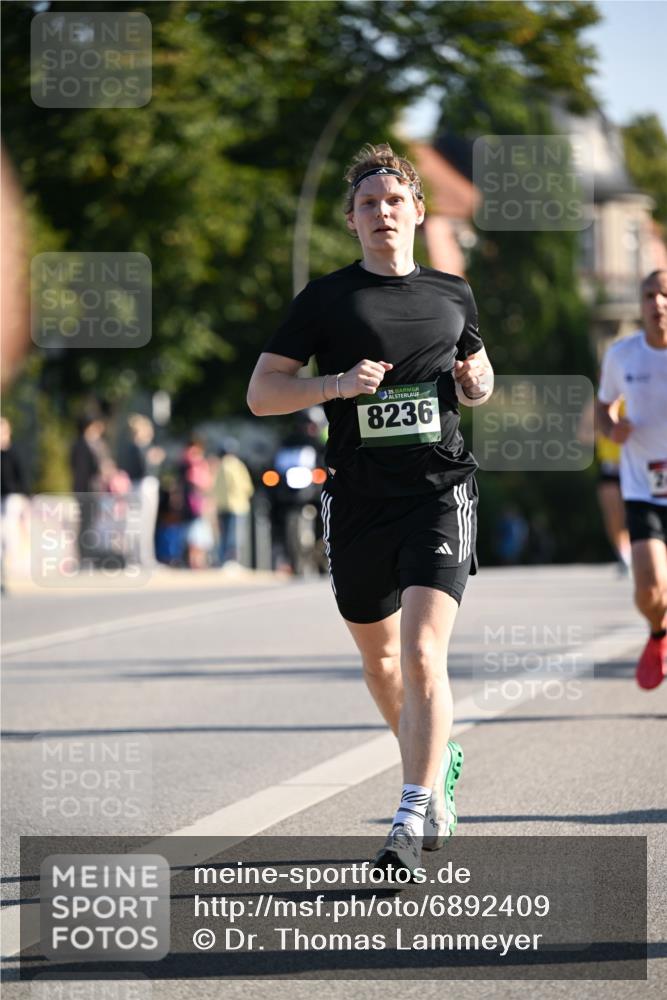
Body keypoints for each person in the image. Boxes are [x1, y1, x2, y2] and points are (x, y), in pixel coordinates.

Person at [247, 143, 494, 875]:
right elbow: (262, 394)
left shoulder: (454, 294)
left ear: (416, 210)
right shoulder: (326, 300)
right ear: (350, 221)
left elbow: (475, 383)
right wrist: (335, 386)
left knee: (422, 653)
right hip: (356, 498)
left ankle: (411, 814)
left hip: (438, 492)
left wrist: (477, 380)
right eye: (367, 204)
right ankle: (434, 759)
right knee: (381, 660)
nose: (382, 212)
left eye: (394, 200)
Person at [597, 269, 667, 689]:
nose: (657, 303)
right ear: (640, 304)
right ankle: (658, 634)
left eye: (664, 295)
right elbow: (604, 408)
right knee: (649, 590)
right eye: (649, 295)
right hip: (645, 489)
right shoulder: (622, 355)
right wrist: (611, 428)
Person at [213, 440, 255, 567]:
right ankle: (232, 561)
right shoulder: (236, 465)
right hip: (237, 505)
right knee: (235, 535)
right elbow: (246, 486)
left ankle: (223, 561)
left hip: (222, 506)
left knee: (224, 535)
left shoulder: (219, 466)